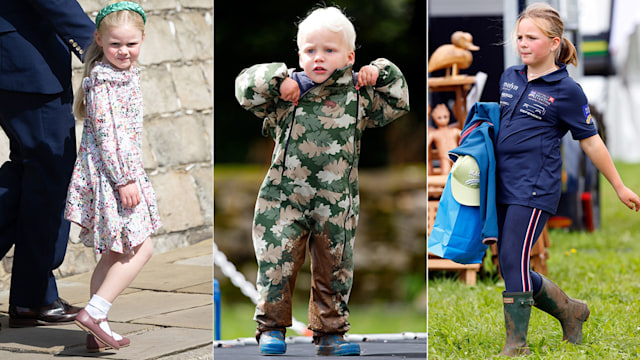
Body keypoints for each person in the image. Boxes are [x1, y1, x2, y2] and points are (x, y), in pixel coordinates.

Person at [235, 6, 409, 356]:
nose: (318, 58)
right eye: (310, 50)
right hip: (283, 199)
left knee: (335, 266)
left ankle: (330, 333)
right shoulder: (287, 92)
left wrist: (381, 71)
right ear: (299, 54)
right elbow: (244, 89)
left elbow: (398, 102)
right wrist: (275, 78)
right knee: (277, 261)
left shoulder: (358, 95)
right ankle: (271, 328)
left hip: (336, 202)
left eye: (329, 51)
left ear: (349, 56)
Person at [494, 3, 640, 356]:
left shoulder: (568, 91)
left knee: (514, 259)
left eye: (531, 37)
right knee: (509, 264)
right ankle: (571, 311)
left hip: (534, 187)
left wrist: (619, 186)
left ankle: (517, 345)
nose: (522, 44)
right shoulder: (509, 77)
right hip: (502, 183)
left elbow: (592, 142)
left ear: (555, 43)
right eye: (519, 37)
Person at [64, 1, 161, 352]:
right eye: (115, 44)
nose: (124, 51)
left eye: (131, 44)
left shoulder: (122, 75)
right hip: (114, 176)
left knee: (111, 254)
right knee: (140, 247)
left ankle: (95, 331)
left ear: (142, 40)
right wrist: (125, 180)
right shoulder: (104, 81)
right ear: (99, 41)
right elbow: (109, 135)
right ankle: (95, 311)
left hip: (117, 173)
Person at [0, 1, 95, 329]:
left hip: (19, 56)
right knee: (48, 173)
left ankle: (33, 295)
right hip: (23, 60)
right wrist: (96, 45)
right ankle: (33, 295)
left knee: (31, 174)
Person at [427, 103, 461, 175]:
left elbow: (465, 136)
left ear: (449, 115)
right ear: (434, 118)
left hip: (455, 155)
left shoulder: (454, 131)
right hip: (444, 157)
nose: (443, 120)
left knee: (459, 172)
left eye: (445, 117)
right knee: (445, 172)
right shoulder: (435, 133)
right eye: (439, 117)